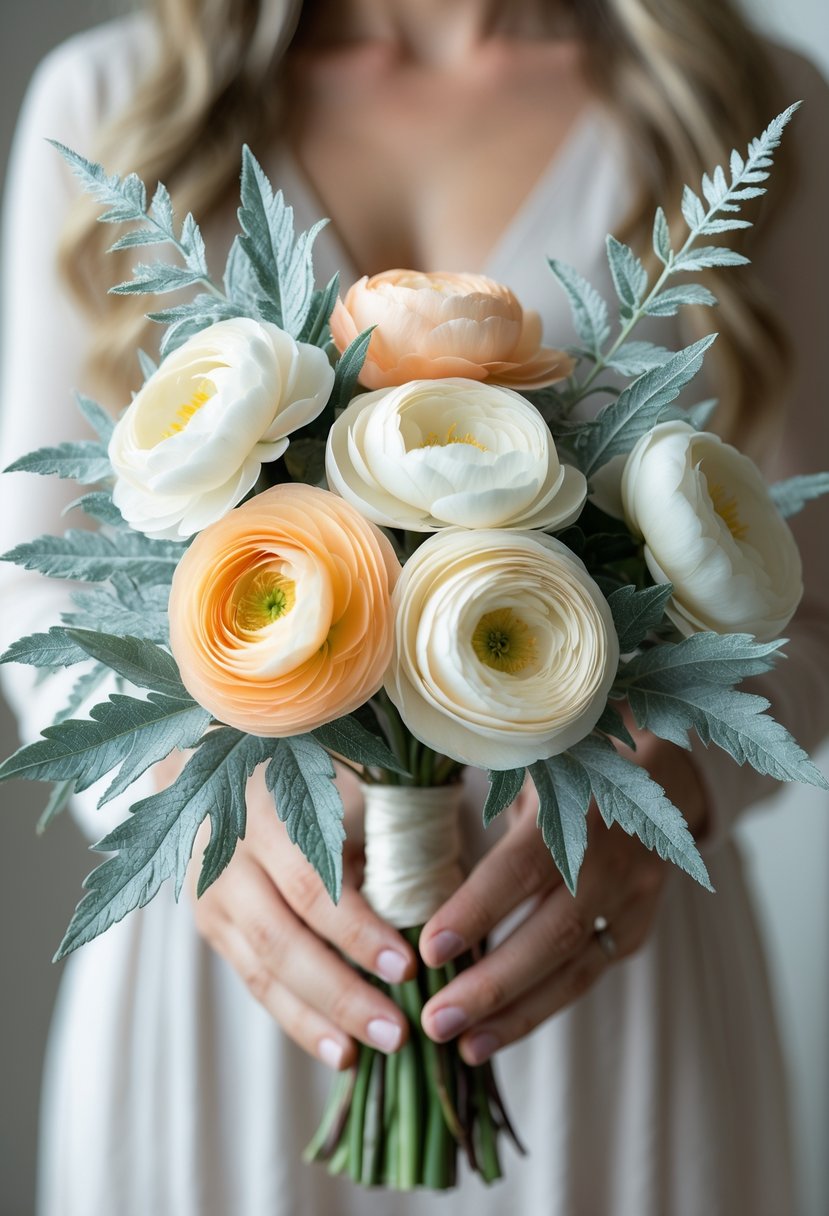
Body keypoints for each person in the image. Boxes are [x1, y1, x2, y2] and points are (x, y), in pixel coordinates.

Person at [1, 1, 827, 1213]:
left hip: (601, 964)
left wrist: (674, 788)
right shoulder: (116, 97)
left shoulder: (745, 93)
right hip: (238, 961)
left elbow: (809, 612)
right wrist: (184, 822)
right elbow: (40, 585)